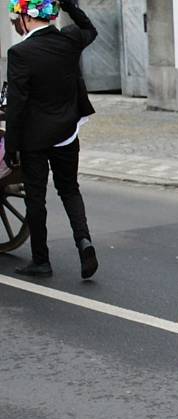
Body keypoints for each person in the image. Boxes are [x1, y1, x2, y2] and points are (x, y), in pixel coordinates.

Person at [4, 0, 98, 279]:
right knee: (69, 189)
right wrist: (70, 4)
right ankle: (84, 242)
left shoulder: (20, 52)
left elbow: (17, 104)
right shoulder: (69, 41)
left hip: (35, 137)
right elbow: (90, 28)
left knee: (36, 197)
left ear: (26, 18)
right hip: (67, 132)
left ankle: (41, 260)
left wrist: (10, 146)